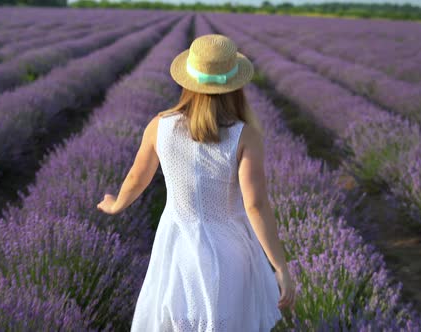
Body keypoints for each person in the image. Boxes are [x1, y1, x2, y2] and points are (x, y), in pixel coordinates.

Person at [97, 34, 295, 331]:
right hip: (231, 250)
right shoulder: (245, 136)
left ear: (188, 80)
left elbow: (138, 178)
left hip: (176, 246)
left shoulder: (159, 126)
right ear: (235, 85)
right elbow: (255, 205)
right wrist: (279, 266)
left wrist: (116, 205)